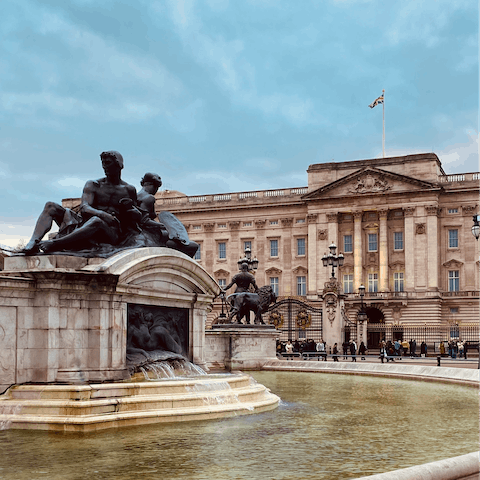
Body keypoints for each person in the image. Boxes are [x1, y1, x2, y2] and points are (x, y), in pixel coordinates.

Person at [23, 151, 141, 254]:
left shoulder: (128, 189)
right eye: (103, 163)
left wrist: (131, 210)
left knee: (96, 221)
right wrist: (103, 214)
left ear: (119, 164)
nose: (104, 166)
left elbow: (137, 217)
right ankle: (33, 242)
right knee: (50, 206)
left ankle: (56, 243)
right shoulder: (94, 185)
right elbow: (84, 208)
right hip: (86, 224)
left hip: (111, 233)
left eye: (108, 163)